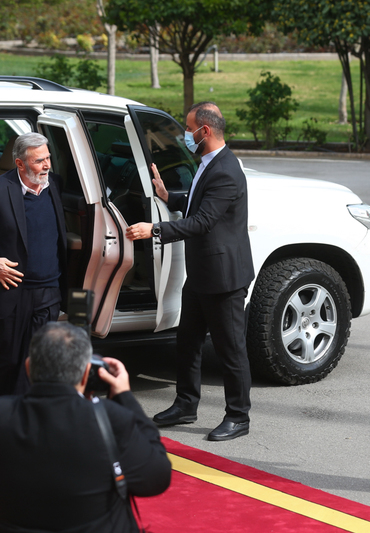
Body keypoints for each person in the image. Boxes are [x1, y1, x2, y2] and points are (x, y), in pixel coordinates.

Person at [125, 102, 255, 442]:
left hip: (224, 279)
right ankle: (185, 405)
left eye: (188, 128)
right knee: (187, 343)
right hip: (201, 275)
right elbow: (200, 202)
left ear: (204, 131)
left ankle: (238, 416)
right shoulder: (209, 162)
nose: (185, 134)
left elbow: (203, 221)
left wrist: (154, 229)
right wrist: (169, 196)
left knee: (230, 350)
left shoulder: (226, 170)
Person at [0, 322, 172, 533]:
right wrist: (124, 397)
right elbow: (156, 478)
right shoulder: (107, 417)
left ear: (28, 367)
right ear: (86, 373)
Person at [0, 132, 66, 396]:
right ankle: (8, 410)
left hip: (49, 290)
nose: (47, 165)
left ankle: (29, 411)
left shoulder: (55, 184)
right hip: (12, 292)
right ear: (20, 163)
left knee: (39, 356)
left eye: (48, 158)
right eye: (39, 161)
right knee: (11, 359)